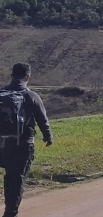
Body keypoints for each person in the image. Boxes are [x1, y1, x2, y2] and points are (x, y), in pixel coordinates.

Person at [0, 63, 52, 217]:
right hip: (23, 144)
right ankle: (10, 212)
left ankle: (9, 209)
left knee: (10, 175)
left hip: (3, 144)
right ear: (27, 77)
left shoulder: (2, 94)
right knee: (18, 177)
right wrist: (48, 136)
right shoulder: (31, 96)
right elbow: (42, 118)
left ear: (11, 76)